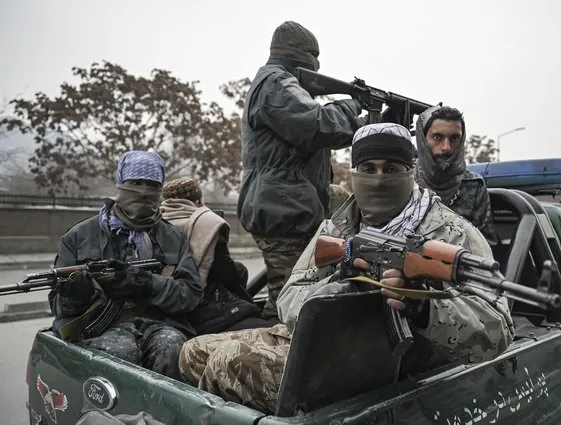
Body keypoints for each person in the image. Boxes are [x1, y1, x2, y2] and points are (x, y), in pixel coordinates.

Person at [179, 123, 513, 412]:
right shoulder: (337, 228)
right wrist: (339, 280)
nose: (379, 178)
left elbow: (498, 330)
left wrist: (425, 308)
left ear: (411, 171)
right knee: (192, 351)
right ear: (353, 173)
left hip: (396, 363)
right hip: (327, 342)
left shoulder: (452, 233)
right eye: (368, 168)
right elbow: (289, 297)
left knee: (228, 363)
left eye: (392, 168)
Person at [236, 21, 364, 321]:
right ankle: (259, 360)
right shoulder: (275, 83)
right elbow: (315, 125)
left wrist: (366, 125)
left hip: (286, 207)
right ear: (305, 58)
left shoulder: (277, 82)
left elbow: (319, 132)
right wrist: (354, 107)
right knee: (288, 305)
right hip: (283, 211)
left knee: (288, 295)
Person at [48, 151, 202, 381]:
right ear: (120, 184)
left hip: (158, 323)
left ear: (160, 189)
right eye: (135, 183)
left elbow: (189, 295)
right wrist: (75, 296)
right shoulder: (80, 236)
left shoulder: (172, 238)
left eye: (151, 185)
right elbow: (58, 306)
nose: (143, 191)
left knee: (172, 347)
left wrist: (146, 284)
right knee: (118, 352)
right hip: (99, 326)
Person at [160, 177, 268, 333]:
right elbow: (227, 273)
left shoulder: (156, 222)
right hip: (205, 309)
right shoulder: (207, 223)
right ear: (198, 200)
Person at [414, 104, 497, 243]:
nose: (446, 147)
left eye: (454, 139)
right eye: (437, 138)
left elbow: (486, 246)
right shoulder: (404, 180)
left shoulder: (473, 185)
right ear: (423, 139)